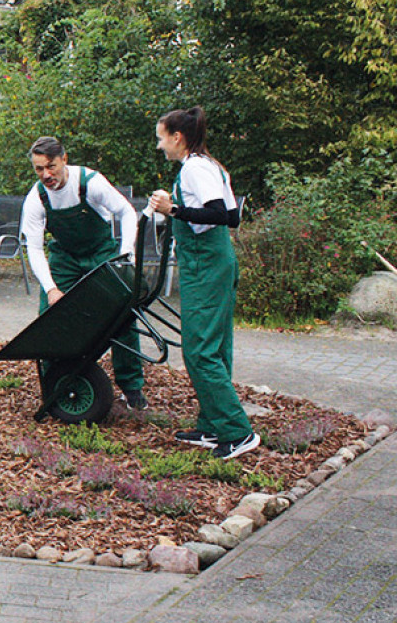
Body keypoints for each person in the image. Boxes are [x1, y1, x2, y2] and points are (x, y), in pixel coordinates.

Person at [148, 107, 258, 460]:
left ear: (177, 137)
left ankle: (237, 432)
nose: (160, 145)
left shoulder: (195, 168)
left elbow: (225, 216)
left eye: (161, 138)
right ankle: (213, 425)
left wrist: (173, 210)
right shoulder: (204, 166)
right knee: (214, 347)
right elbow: (228, 213)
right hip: (210, 263)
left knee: (199, 350)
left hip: (207, 265)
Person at [20, 137, 147, 410]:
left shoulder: (90, 183)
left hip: (101, 252)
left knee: (122, 315)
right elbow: (33, 247)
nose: (46, 175)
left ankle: (131, 386)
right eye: (39, 169)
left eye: (51, 167)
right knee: (51, 319)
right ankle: (57, 383)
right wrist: (52, 288)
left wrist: (126, 255)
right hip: (65, 258)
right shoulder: (36, 198)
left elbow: (126, 211)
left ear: (64, 159)